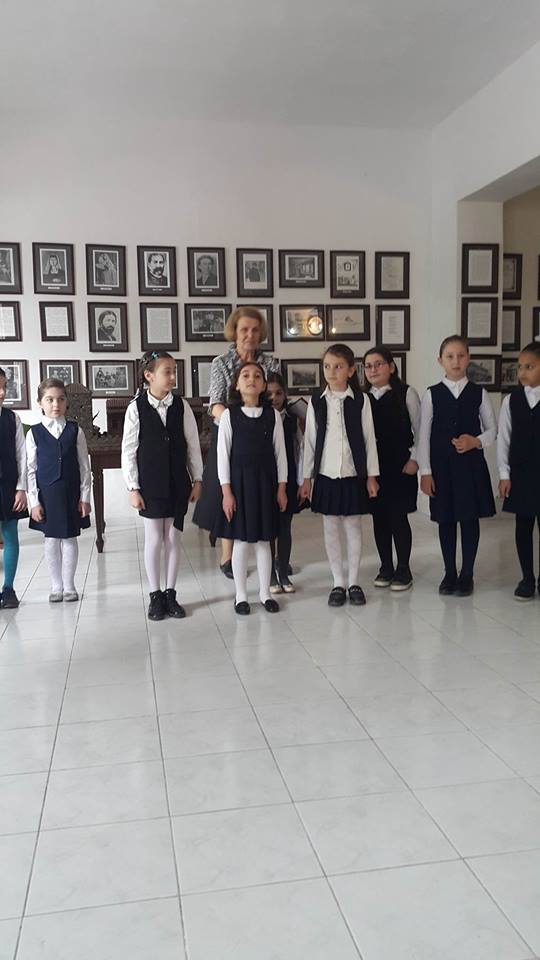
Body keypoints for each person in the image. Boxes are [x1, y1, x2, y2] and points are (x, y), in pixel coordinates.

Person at [193, 307, 279, 577]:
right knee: (229, 492)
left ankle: (272, 557)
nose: (250, 335)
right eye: (244, 329)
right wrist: (238, 423)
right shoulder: (221, 362)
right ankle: (227, 556)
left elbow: (275, 398)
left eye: (255, 330)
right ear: (234, 331)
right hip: (230, 433)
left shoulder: (271, 364)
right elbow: (215, 403)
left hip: (263, 433)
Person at [122, 351, 203, 621]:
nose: (173, 377)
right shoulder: (136, 408)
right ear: (149, 376)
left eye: (174, 371)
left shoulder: (182, 406)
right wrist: (133, 487)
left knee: (173, 538)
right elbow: (128, 450)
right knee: (155, 538)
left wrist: (198, 478)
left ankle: (171, 593)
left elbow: (192, 445)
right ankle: (155, 594)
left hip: (178, 483)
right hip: (150, 485)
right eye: (167, 371)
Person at [299, 343, 379, 607]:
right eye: (327, 366)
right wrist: (307, 478)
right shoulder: (317, 401)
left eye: (338, 366)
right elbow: (310, 441)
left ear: (351, 370)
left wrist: (371, 476)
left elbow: (369, 440)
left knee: (353, 528)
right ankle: (338, 582)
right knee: (331, 528)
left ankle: (354, 581)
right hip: (326, 474)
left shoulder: (361, 400)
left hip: (354, 474)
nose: (331, 372)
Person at [419, 334, 496, 597]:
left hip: (471, 467)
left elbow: (492, 430)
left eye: (461, 356)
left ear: (468, 358)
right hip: (442, 469)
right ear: (440, 360)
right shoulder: (432, 394)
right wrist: (425, 472)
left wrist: (475, 441)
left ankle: (467, 574)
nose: (456, 361)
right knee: (446, 520)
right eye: (450, 356)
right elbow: (423, 436)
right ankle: (449, 573)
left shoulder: (479, 393)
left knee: (469, 520)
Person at [214, 362, 287, 614]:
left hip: (266, 484)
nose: (251, 379)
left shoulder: (272, 416)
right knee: (242, 542)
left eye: (257, 376)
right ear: (236, 384)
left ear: (264, 384)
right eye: (245, 375)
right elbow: (222, 456)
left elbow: (280, 455)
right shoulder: (229, 415)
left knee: (264, 541)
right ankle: (241, 595)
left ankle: (265, 593)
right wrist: (226, 492)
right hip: (239, 485)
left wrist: (281, 488)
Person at [27, 378, 91, 602]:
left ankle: (70, 585)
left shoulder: (75, 431)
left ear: (66, 402)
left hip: (71, 493)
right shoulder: (34, 433)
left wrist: (85, 497)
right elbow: (30, 470)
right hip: (47, 495)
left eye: (61, 399)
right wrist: (34, 502)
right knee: (51, 539)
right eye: (50, 400)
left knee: (70, 538)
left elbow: (84, 467)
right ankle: (56, 586)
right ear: (40, 403)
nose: (56, 404)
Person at [364, 345, 420, 591]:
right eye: (368, 366)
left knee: (398, 517)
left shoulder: (406, 393)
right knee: (379, 518)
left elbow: (420, 429)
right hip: (374, 469)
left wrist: (415, 459)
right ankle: (386, 566)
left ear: (392, 367)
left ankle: (404, 568)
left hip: (400, 465)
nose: (373, 369)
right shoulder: (363, 398)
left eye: (378, 364)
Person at [498, 341, 540, 600]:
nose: (522, 372)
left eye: (530, 367)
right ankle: (527, 578)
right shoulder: (511, 401)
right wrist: (504, 474)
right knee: (523, 526)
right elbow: (504, 439)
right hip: (521, 474)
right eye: (520, 367)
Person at [266, 371, 305, 593]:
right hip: (266, 480)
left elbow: (300, 449)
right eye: (269, 394)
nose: (274, 398)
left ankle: (283, 572)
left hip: (288, 480)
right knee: (269, 529)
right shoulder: (260, 417)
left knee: (284, 527)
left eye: (278, 393)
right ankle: (271, 575)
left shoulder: (291, 419)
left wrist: (300, 481)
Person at [0, 366, 28, 608]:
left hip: (8, 486)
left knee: (10, 535)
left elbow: (22, 455)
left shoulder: (12, 419)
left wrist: (21, 488)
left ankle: (8, 589)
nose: (1, 392)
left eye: (4, 387)